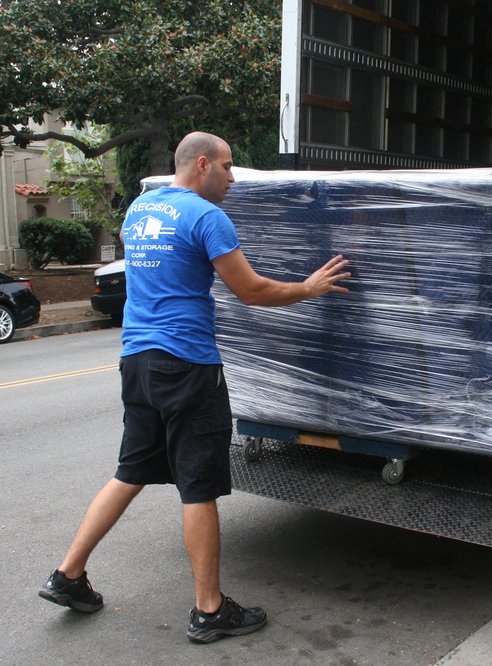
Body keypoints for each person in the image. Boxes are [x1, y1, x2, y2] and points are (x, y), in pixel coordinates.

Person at [39, 131, 352, 643]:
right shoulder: (207, 217)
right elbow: (250, 291)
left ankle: (67, 574)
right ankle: (209, 610)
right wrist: (310, 287)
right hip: (186, 365)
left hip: (137, 361)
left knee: (130, 470)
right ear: (202, 165)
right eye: (228, 167)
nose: (233, 177)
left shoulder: (139, 211)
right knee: (199, 485)